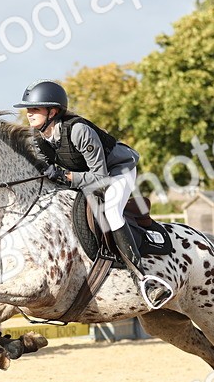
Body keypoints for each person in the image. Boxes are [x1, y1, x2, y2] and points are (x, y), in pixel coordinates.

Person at [13, 79, 172, 306]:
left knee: (112, 211)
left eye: (35, 109)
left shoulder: (79, 130)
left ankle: (144, 279)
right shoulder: (39, 138)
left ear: (53, 111)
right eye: (28, 109)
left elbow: (100, 178)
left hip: (118, 171)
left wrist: (66, 176)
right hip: (88, 175)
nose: (29, 113)